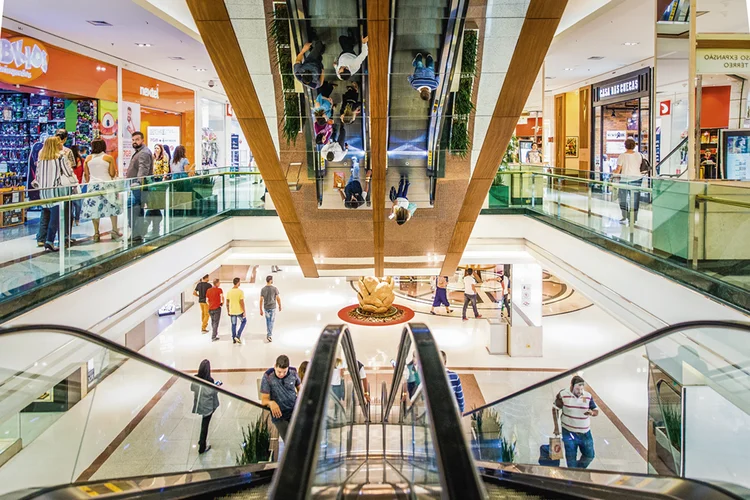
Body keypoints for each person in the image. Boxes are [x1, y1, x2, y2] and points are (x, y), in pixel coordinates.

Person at [36, 136, 75, 252]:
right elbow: (68, 172)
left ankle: (42, 238)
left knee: (45, 215)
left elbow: (37, 176)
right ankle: (50, 240)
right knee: (56, 217)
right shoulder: (60, 158)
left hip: (43, 192)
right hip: (56, 191)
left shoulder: (41, 160)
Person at [552, 375, 598, 469]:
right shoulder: (563, 394)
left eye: (581, 389)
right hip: (568, 432)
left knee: (590, 455)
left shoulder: (588, 396)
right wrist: (556, 427)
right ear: (572, 386)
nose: (580, 392)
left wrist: (592, 412)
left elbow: (595, 410)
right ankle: (573, 474)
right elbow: (555, 409)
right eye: (577, 389)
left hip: (585, 433)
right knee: (571, 458)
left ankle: (577, 470)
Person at [81, 139, 122, 242]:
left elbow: (86, 175)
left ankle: (96, 233)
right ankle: (114, 230)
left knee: (94, 210)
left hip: (93, 186)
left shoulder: (88, 158)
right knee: (112, 208)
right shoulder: (108, 158)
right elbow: (112, 174)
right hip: (107, 185)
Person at [260, 355, 301, 442]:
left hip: (294, 411)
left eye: (284, 372)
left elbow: (300, 388)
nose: (282, 374)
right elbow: (264, 400)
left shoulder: (293, 372)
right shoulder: (268, 376)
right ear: (275, 366)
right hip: (279, 415)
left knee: (298, 437)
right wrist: (271, 403)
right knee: (289, 440)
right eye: (279, 372)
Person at [125, 131, 154, 243]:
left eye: (137, 139)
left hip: (139, 186)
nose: (134, 142)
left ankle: (138, 232)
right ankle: (138, 232)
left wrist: (138, 183)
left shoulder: (143, 153)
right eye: (133, 140)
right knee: (136, 209)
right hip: (136, 186)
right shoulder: (140, 151)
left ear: (142, 140)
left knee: (134, 208)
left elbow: (143, 169)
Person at [191, 359, 221, 454]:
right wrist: (216, 386)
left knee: (204, 423)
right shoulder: (209, 380)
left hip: (199, 404)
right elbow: (211, 392)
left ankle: (201, 441)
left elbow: (192, 388)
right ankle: (202, 445)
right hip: (207, 406)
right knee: (205, 425)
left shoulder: (196, 378)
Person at [612, 138, 644, 224]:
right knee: (635, 199)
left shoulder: (622, 156)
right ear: (634, 146)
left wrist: (613, 174)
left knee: (623, 199)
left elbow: (618, 169)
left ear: (625, 146)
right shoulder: (639, 155)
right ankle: (633, 218)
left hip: (625, 180)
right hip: (637, 179)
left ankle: (625, 216)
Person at [260, 275, 282, 343]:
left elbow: (261, 299)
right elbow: (278, 298)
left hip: (266, 307)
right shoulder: (275, 288)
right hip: (273, 307)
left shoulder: (263, 289)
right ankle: (269, 334)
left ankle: (269, 333)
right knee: (272, 321)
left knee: (268, 321)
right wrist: (280, 305)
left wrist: (260, 309)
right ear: (270, 280)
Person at [226, 277, 246, 344]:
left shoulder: (229, 292)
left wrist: (228, 310)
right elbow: (241, 302)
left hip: (232, 311)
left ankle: (234, 339)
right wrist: (244, 311)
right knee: (244, 321)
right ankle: (238, 335)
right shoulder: (240, 292)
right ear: (238, 283)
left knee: (233, 324)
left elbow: (227, 303)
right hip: (239, 311)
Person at [70, 145, 84, 226]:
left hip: (76, 184)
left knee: (73, 203)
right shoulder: (81, 161)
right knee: (77, 203)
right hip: (77, 184)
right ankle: (76, 219)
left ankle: (74, 219)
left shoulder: (81, 161)